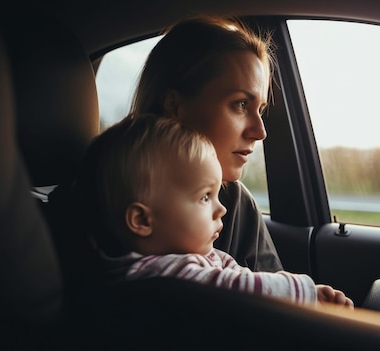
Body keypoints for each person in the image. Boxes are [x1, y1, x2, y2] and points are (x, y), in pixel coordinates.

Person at [73, 113, 353, 308]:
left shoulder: (189, 257)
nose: (221, 209)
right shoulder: (163, 274)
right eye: (205, 197)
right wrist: (307, 293)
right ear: (142, 220)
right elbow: (237, 287)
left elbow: (242, 276)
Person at [129, 15, 282, 272]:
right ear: (175, 107)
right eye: (241, 104)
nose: (260, 132)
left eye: (261, 109)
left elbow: (277, 304)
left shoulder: (235, 202)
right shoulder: (92, 204)